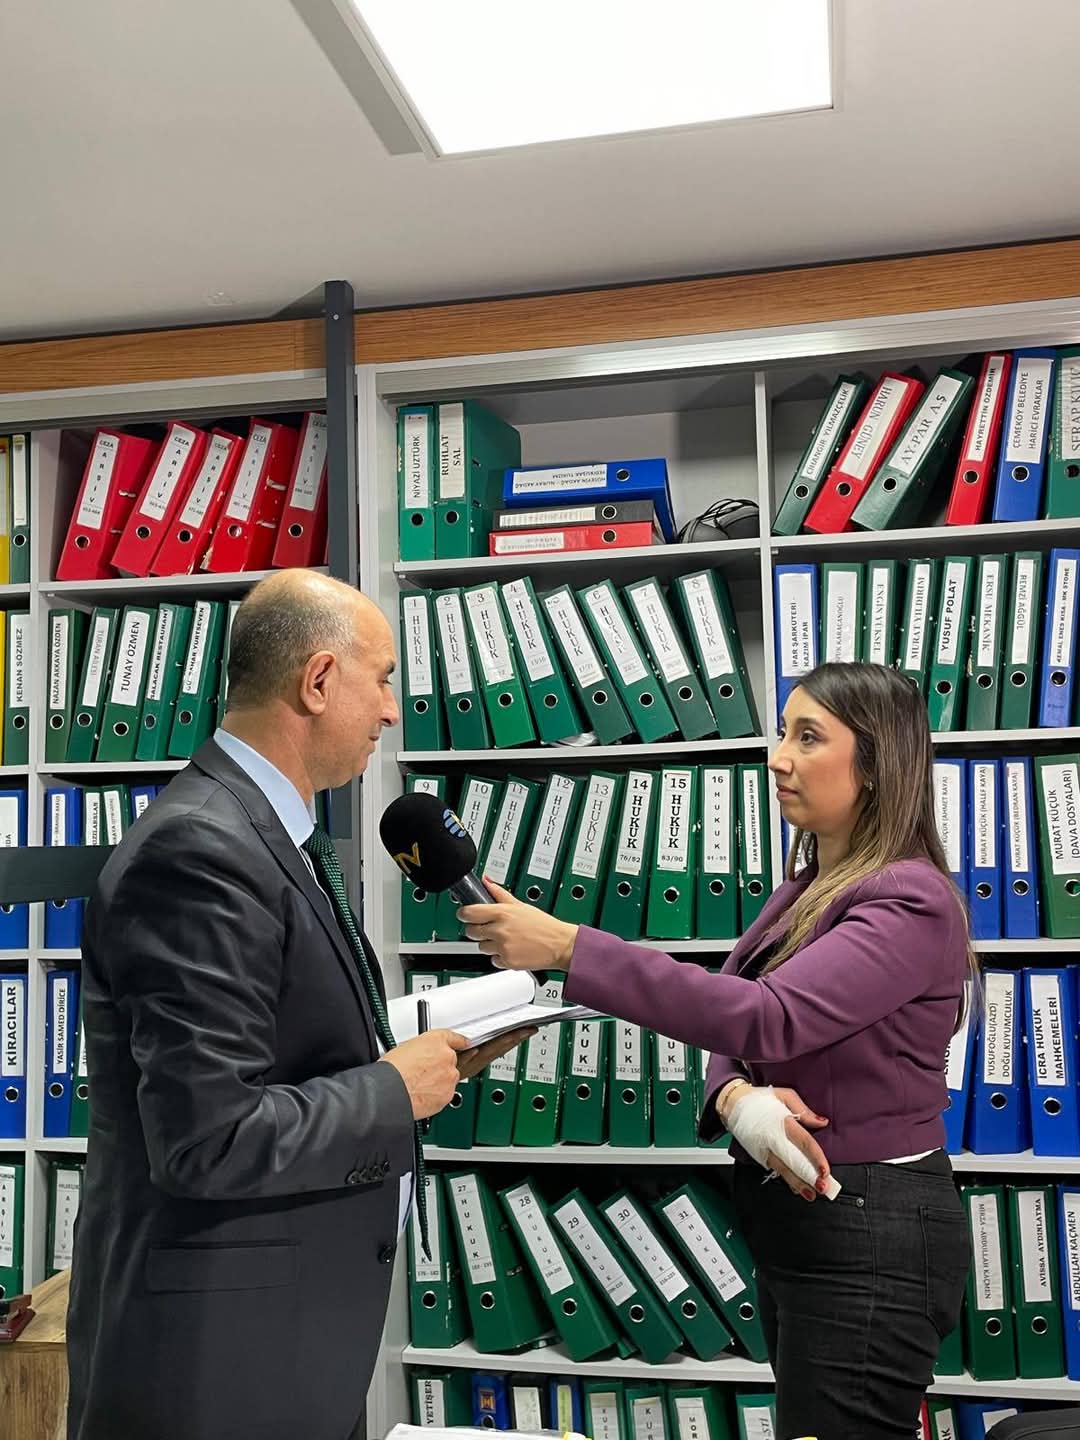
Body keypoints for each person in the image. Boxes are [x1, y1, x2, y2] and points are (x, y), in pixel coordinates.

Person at [458, 661, 975, 1440]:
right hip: (805, 1223)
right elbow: (737, 1029)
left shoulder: (909, 898)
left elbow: (762, 1017)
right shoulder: (809, 886)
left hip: (870, 1226)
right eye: (781, 732)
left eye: (809, 737)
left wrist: (571, 949)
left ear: (874, 766)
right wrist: (737, 1100)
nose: (778, 756)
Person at [67, 569, 529, 1440]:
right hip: (219, 1369)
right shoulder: (201, 849)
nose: (391, 713)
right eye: (383, 680)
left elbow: (272, 1044)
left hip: (286, 1343)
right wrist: (396, 1091)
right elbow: (209, 1138)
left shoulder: (263, 827)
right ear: (317, 682)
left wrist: (420, 1046)